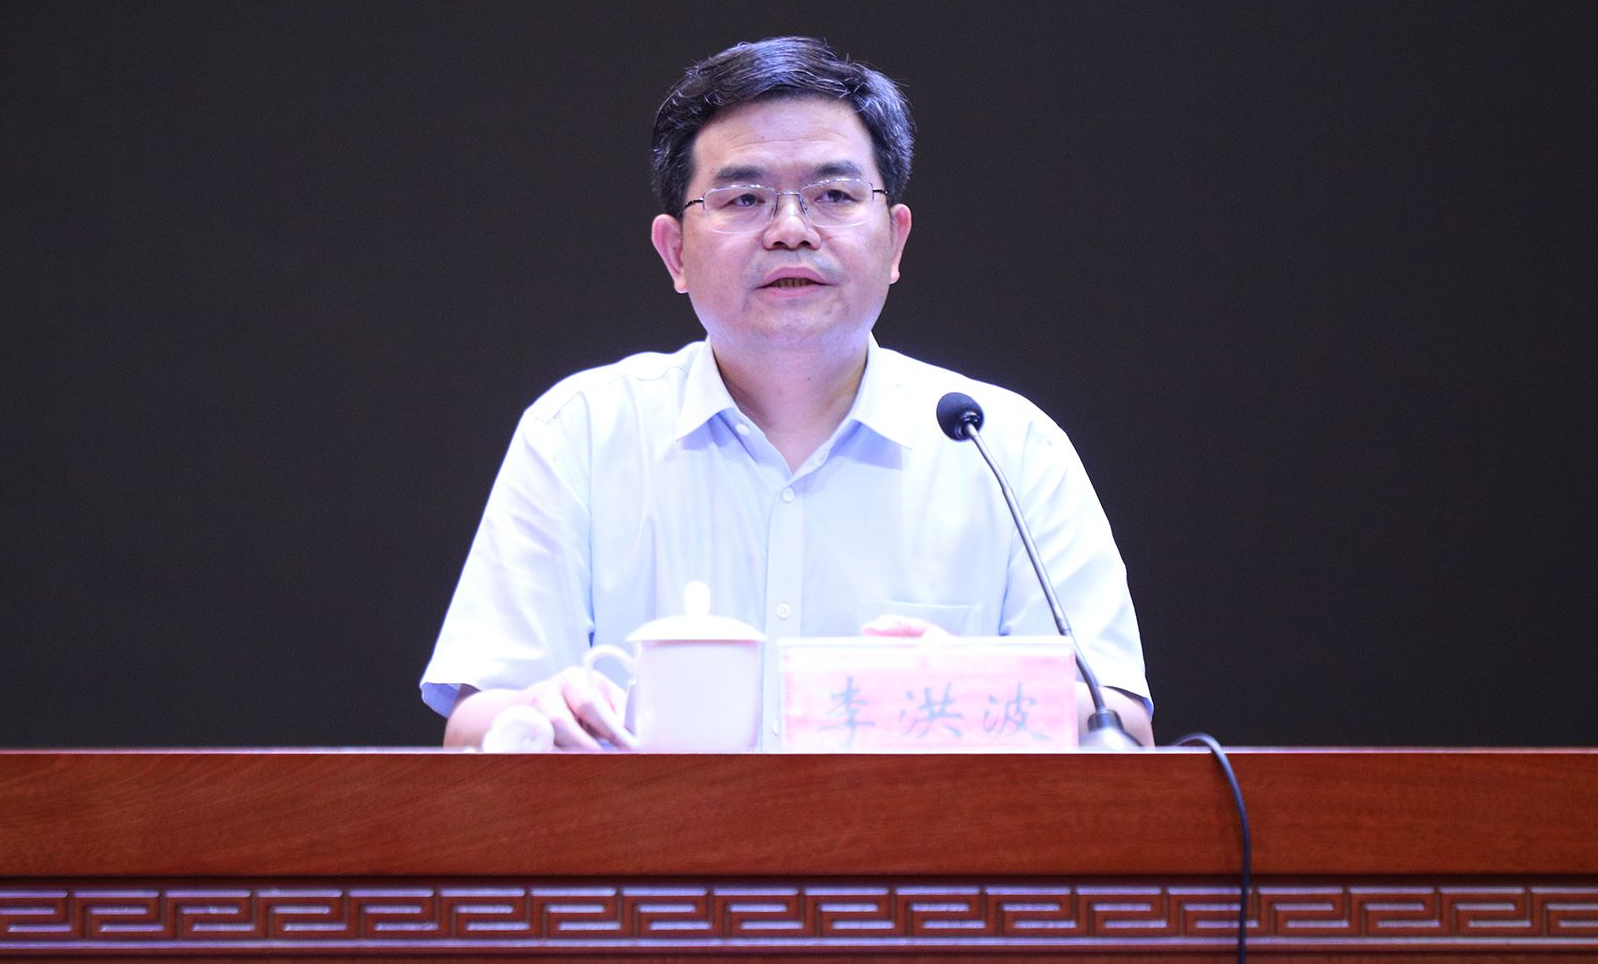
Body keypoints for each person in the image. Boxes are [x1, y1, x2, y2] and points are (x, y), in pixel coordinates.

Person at [421, 37, 1152, 750]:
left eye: (834, 195)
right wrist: (533, 716)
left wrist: (974, 692)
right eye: (745, 198)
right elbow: (474, 725)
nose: (791, 231)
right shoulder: (580, 433)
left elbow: (1123, 731)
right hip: (649, 837)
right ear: (675, 253)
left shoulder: (1005, 446)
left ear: (895, 243)